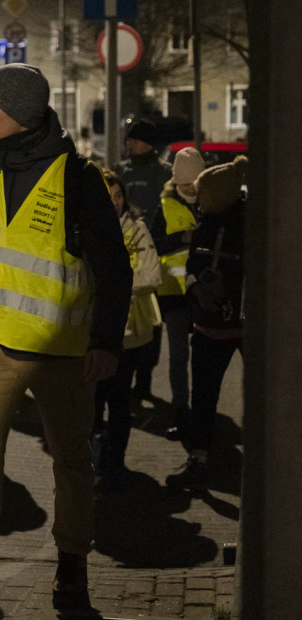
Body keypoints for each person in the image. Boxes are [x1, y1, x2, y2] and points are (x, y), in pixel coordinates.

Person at [0, 63, 132, 620]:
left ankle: (72, 571)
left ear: (18, 111)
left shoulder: (78, 178)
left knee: (71, 462)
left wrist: (106, 342)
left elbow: (114, 269)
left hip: (64, 348)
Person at [166, 156, 246, 491]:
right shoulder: (205, 223)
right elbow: (191, 265)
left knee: (261, 396)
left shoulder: (251, 226)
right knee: (203, 397)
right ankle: (199, 459)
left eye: (204, 194)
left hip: (241, 325)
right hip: (207, 326)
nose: (198, 200)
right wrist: (196, 287)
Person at [93, 171, 161, 491]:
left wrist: (114, 285)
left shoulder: (137, 230)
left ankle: (116, 461)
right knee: (93, 401)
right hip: (92, 331)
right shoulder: (85, 229)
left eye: (118, 195)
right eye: (108, 196)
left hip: (129, 332)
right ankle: (95, 456)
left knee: (119, 401)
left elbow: (152, 275)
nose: (115, 202)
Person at [151, 147, 204, 442]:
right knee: (178, 359)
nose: (190, 190)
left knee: (203, 360)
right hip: (174, 293)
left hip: (204, 294)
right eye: (185, 185)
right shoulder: (165, 206)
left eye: (194, 184)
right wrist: (179, 238)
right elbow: (154, 244)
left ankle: (202, 416)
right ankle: (181, 415)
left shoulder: (211, 203)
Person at [117, 117, 172, 405]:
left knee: (151, 319)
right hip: (124, 253)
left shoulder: (164, 172)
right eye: (129, 139)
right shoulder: (120, 171)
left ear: (149, 143)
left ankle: (144, 380)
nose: (130, 143)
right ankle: (123, 379)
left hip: (155, 253)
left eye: (135, 139)